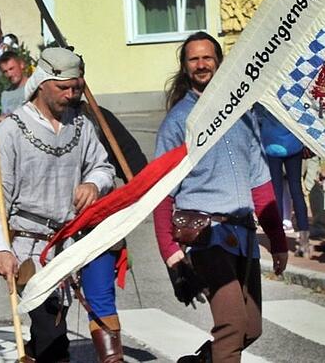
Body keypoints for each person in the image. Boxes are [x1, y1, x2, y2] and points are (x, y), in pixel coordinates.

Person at [152, 32, 287, 363]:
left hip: (242, 234)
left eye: (207, 57)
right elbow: (161, 193)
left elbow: (260, 182)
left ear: (219, 62)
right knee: (231, 325)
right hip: (204, 236)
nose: (201, 64)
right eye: (193, 59)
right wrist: (172, 256)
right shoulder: (177, 123)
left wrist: (278, 239)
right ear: (185, 68)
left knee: (250, 329)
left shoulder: (244, 114)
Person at [0, 47, 116, 362]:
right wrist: (0, 248)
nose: (70, 95)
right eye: (62, 87)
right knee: (52, 331)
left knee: (50, 328)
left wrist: (94, 183)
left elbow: (104, 167)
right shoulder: (10, 131)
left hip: (67, 244)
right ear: (42, 83)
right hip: (27, 246)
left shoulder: (81, 125)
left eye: (76, 88)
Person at [71, 58, 149, 363]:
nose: (71, 87)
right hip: (47, 226)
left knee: (101, 294)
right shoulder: (30, 122)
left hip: (97, 223)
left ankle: (112, 359)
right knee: (50, 307)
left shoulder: (99, 119)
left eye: (77, 79)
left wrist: (132, 198)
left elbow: (135, 165)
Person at [256, 104, 309, 256]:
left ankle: (278, 241)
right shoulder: (289, 96)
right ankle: (304, 240)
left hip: (271, 145)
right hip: (293, 145)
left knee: (275, 193)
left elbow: (257, 119)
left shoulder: (264, 100)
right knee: (296, 190)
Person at [0, 50, 29, 117]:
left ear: (21, 65)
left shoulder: (34, 87)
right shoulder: (5, 95)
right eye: (5, 71)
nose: (9, 74)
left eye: (11, 69)